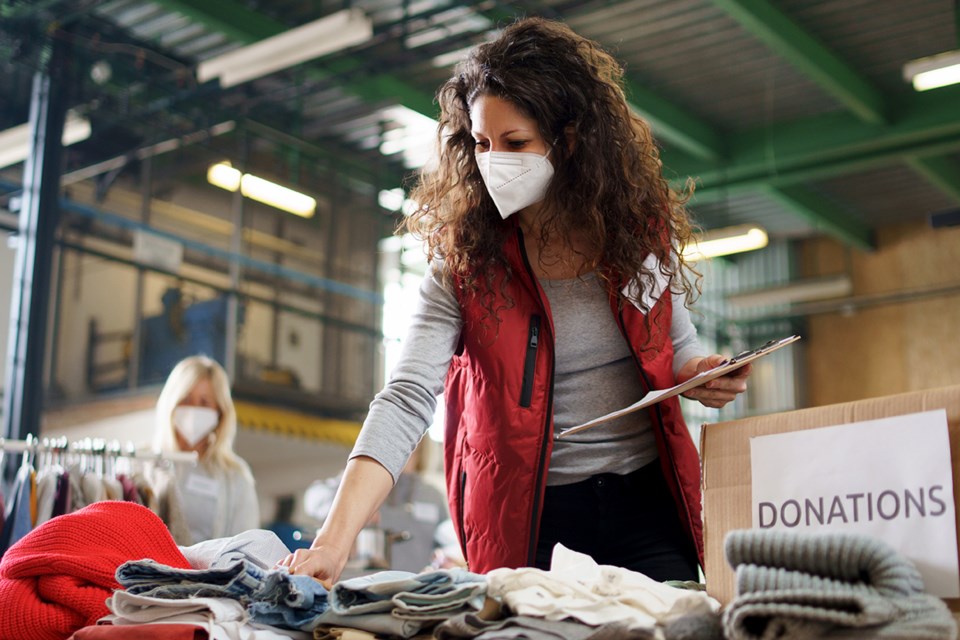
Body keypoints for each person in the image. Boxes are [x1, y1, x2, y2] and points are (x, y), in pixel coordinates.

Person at [279, 18, 751, 583]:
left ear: (570, 139)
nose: (492, 159)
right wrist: (332, 544)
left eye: (515, 142)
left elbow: (675, 348)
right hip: (531, 518)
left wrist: (699, 374)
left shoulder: (637, 237)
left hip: (648, 505)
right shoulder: (464, 265)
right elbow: (406, 399)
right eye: (481, 143)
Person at [153, 354, 260, 544]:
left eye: (204, 402)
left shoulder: (236, 475)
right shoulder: (144, 464)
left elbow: (246, 547)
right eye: (186, 399)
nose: (194, 410)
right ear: (171, 403)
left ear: (219, 413)